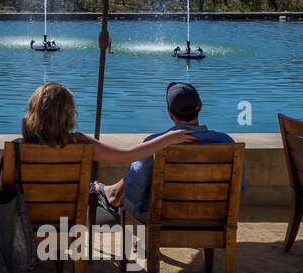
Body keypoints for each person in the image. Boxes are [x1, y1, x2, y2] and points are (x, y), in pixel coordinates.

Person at [0, 82, 194, 228]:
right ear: (68, 114)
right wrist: (168, 138)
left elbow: (6, 192)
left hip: (23, 220)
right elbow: (128, 156)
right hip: (66, 220)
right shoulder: (80, 143)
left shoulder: (17, 148)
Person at [97, 81, 235, 217]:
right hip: (213, 216)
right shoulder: (227, 143)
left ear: (170, 113)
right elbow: (238, 191)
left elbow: (134, 193)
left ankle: (113, 195)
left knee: (133, 200)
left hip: (164, 218)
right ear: (200, 107)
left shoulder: (154, 144)